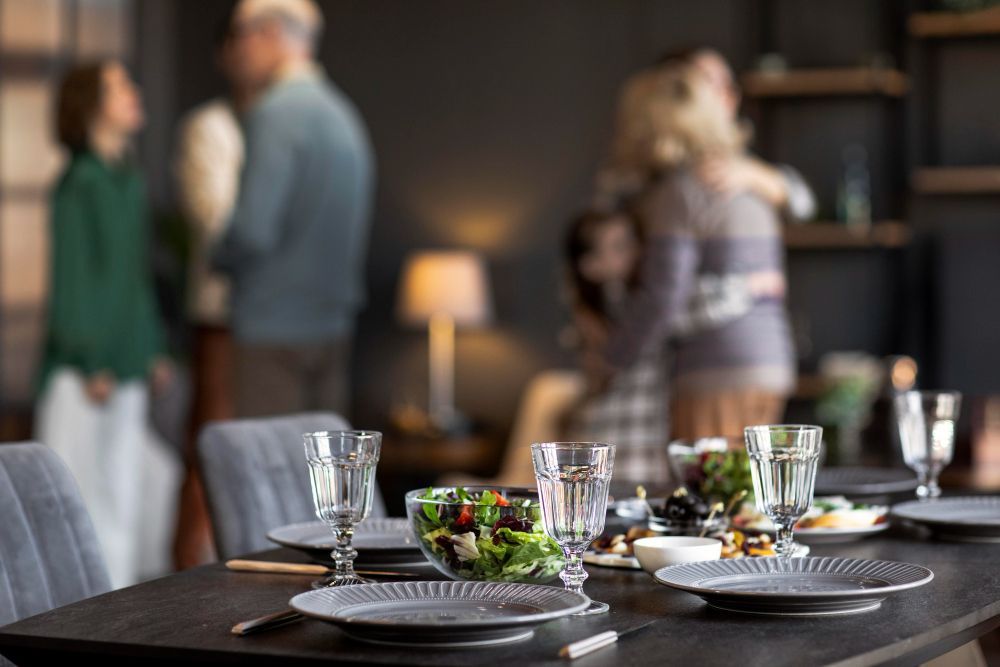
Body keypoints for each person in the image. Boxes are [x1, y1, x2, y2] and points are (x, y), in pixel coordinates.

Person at [597, 59, 797, 440]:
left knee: (710, 495)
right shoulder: (748, 183)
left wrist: (612, 357)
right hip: (771, 361)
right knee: (748, 495)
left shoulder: (680, 191)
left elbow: (664, 296)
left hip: (715, 368)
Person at [35, 61, 175, 589]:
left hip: (126, 365)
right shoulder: (79, 183)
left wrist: (152, 348)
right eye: (121, 87)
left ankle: (115, 611)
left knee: (124, 493)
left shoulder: (125, 180)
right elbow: (73, 282)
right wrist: (90, 357)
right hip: (83, 373)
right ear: (91, 104)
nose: (134, 94)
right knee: (73, 497)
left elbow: (132, 278)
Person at [212, 0, 375, 418]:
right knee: (323, 476)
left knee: (266, 473)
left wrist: (215, 256)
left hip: (272, 330)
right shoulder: (344, 114)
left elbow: (252, 230)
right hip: (332, 327)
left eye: (240, 35)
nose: (237, 49)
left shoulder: (275, 114)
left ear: (269, 34)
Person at [562, 209, 785, 485]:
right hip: (621, 442)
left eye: (634, 241)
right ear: (591, 266)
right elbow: (677, 312)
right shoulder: (618, 304)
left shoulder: (615, 303)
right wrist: (748, 287)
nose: (636, 252)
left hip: (630, 442)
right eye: (620, 247)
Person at [171, 20, 260, 570]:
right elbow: (217, 223)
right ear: (226, 52)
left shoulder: (281, 124)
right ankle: (184, 570)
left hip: (276, 317)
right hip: (223, 313)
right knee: (211, 446)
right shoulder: (209, 127)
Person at [595, 47, 816, 224]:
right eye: (709, 82)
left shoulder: (740, 164)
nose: (728, 93)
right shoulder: (634, 171)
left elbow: (805, 206)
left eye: (729, 84)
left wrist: (760, 178)